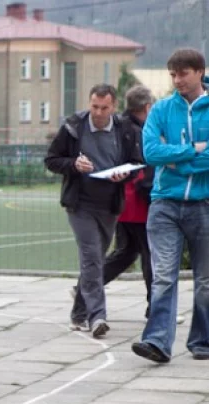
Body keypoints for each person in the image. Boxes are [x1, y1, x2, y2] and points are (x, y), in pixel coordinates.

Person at [45, 83, 143, 338]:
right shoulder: (73, 127)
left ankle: (78, 313)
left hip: (110, 203)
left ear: (114, 107)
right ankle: (97, 316)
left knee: (96, 259)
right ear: (89, 104)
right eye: (94, 107)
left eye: (104, 107)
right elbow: (51, 160)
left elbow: (136, 161)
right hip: (80, 203)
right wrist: (73, 164)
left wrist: (123, 174)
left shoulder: (125, 130)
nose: (98, 113)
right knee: (91, 256)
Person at [132, 48, 209, 364]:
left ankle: (203, 341)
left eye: (183, 73)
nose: (177, 80)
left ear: (200, 72)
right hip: (164, 205)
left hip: (204, 205)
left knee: (205, 280)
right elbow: (151, 153)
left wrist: (177, 158)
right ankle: (157, 342)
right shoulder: (161, 110)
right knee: (163, 274)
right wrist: (194, 151)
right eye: (173, 74)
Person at [70, 85, 155, 315]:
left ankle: (83, 293)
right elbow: (142, 169)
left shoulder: (123, 126)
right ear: (148, 107)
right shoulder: (136, 130)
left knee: (126, 253)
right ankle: (155, 307)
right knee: (149, 254)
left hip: (121, 201)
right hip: (135, 203)